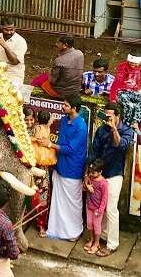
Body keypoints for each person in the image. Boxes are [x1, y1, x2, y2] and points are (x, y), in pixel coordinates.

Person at [87, 102, 134, 257]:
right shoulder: (101, 130)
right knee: (100, 207)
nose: (106, 118)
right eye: (105, 114)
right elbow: (94, 152)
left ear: (117, 116)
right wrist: (88, 173)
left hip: (114, 174)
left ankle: (112, 244)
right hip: (100, 175)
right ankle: (103, 236)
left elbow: (121, 145)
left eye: (109, 115)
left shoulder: (126, 130)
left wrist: (114, 128)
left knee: (111, 209)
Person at [44, 94, 88, 241]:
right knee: (59, 202)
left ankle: (74, 232)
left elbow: (70, 149)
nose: (62, 106)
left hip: (72, 169)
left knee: (72, 203)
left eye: (66, 105)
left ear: (74, 109)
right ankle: (57, 230)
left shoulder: (81, 126)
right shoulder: (64, 120)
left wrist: (50, 145)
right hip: (60, 166)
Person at [30, 109, 55, 237]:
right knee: (43, 197)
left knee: (36, 195)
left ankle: (36, 222)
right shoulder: (47, 129)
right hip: (44, 169)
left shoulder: (36, 129)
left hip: (35, 166)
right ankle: (41, 226)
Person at [0, 16, 28, 89]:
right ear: (1, 27)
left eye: (12, 29)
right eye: (6, 30)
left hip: (13, 75)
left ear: (15, 28)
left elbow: (14, 61)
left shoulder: (21, 41)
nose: (9, 32)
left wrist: (5, 46)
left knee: (9, 91)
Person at [109, 49, 141, 127]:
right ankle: (126, 124)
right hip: (121, 91)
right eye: (131, 62)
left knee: (139, 102)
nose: (132, 65)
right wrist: (112, 98)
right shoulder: (123, 66)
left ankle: (135, 122)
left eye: (135, 63)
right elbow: (116, 82)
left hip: (134, 91)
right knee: (130, 105)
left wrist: (137, 88)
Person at [83, 159, 108, 256]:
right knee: (89, 224)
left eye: (94, 173)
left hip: (98, 209)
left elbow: (105, 198)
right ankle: (91, 239)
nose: (92, 174)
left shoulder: (103, 183)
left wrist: (101, 209)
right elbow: (84, 187)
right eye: (91, 172)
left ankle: (97, 243)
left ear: (100, 172)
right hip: (89, 205)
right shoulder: (90, 178)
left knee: (97, 226)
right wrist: (87, 186)